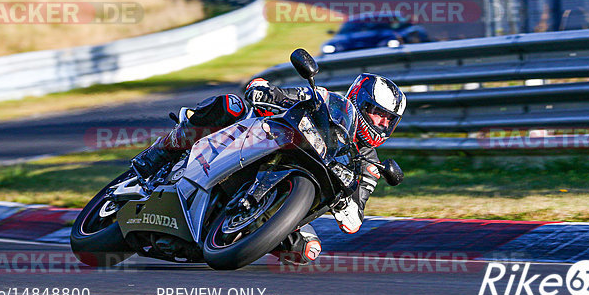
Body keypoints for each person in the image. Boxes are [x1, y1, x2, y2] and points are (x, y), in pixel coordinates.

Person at [130, 73, 406, 265]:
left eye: (388, 120)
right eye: (376, 112)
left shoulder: (369, 165)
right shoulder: (325, 101)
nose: (381, 122)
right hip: (267, 142)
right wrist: (264, 91)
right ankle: (156, 156)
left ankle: (237, 237)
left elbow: (354, 217)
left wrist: (349, 203)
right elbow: (279, 95)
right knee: (231, 105)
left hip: (294, 192)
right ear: (358, 100)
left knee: (309, 251)